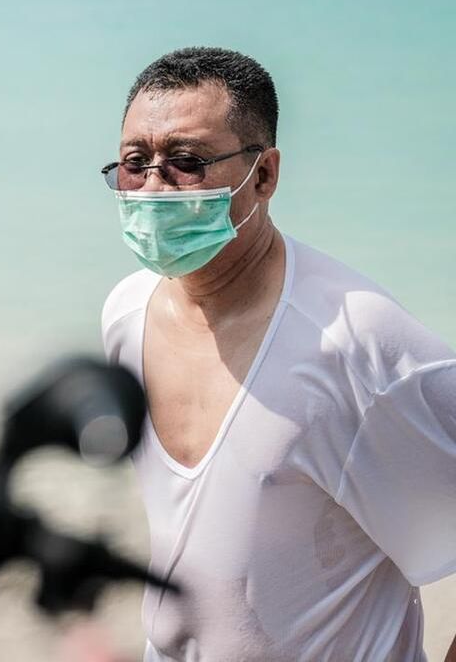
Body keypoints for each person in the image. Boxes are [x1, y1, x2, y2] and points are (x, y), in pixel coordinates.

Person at [99, 47, 456, 660]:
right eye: (135, 163)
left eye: (186, 161)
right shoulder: (126, 315)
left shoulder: (351, 340)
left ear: (263, 175)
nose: (154, 187)